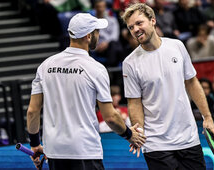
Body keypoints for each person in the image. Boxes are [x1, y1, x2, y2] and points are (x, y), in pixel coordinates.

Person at [26, 13, 146, 170]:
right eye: (97, 31)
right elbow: (110, 117)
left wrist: (35, 145)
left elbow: (32, 111)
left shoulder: (45, 66)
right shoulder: (95, 68)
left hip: (55, 151)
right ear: (89, 36)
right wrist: (130, 135)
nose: (99, 35)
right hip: (85, 150)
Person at [121, 3, 214, 169]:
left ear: (153, 20)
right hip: (156, 144)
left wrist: (207, 117)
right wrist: (139, 132)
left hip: (189, 139)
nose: (135, 29)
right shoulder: (129, 63)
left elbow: (192, 82)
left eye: (139, 23)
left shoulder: (177, 46)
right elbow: (134, 102)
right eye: (131, 27)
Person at [93, 0, 123, 66]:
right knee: (116, 48)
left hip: (111, 46)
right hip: (98, 49)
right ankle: (114, 69)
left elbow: (115, 36)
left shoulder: (112, 20)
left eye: (102, 7)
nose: (100, 9)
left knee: (114, 45)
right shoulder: (91, 22)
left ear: (105, 7)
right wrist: (97, 47)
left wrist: (106, 43)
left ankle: (111, 68)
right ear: (94, 8)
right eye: (98, 7)